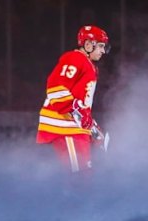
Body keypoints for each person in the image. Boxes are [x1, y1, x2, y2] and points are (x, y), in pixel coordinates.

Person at [36, 25, 110, 173]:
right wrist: (76, 110)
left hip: (73, 128)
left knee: (84, 176)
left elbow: (81, 104)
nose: (103, 51)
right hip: (64, 128)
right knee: (79, 178)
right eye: (100, 46)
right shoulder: (76, 58)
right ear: (88, 44)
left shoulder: (89, 65)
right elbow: (55, 87)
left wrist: (91, 127)